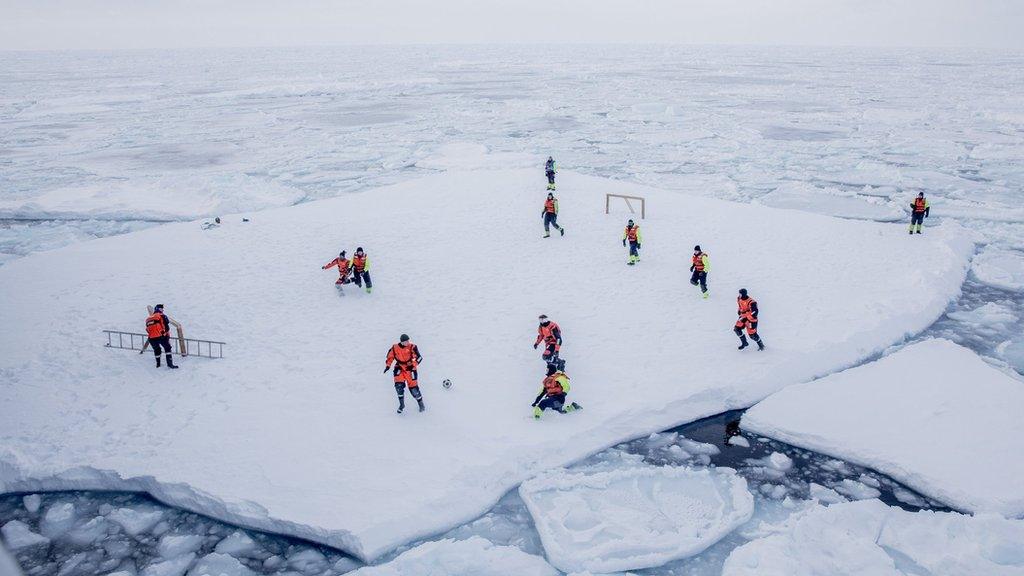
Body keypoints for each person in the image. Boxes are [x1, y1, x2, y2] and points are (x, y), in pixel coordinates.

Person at [385, 334, 425, 413]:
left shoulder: (412, 347)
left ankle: (421, 404)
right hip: (399, 368)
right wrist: (388, 366)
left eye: (408, 340)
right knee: (398, 387)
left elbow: (419, 358)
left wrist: (413, 364)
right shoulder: (394, 348)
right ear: (402, 342)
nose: (407, 342)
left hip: (410, 369)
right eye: (406, 341)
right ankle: (402, 405)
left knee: (414, 389)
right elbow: (390, 357)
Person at [144, 304, 178, 369]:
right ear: (158, 309)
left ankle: (158, 364)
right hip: (161, 336)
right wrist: (166, 335)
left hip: (151, 338)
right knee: (167, 348)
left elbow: (147, 329)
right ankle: (170, 364)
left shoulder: (148, 318)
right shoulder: (162, 315)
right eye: (161, 309)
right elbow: (166, 326)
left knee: (157, 349)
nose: (162, 310)